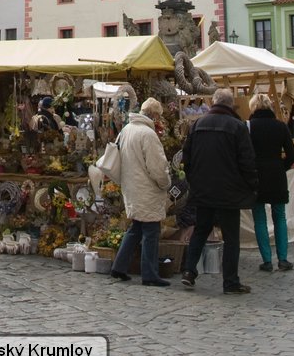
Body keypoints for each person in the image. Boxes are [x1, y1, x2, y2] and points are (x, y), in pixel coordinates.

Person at [179, 89, 258, 294]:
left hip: (203, 190)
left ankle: (189, 271)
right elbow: (247, 161)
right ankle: (230, 281)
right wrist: (251, 185)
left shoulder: (198, 125)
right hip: (228, 193)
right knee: (231, 238)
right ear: (230, 105)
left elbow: (186, 159)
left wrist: (194, 181)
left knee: (200, 231)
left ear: (213, 103)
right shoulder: (237, 127)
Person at [110, 97, 173, 287]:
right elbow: (157, 167)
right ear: (154, 115)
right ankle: (150, 274)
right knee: (151, 231)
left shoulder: (127, 130)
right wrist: (166, 183)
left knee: (136, 228)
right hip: (147, 189)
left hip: (131, 186)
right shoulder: (148, 134)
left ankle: (119, 266)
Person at [246, 93, 294, 272]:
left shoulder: (249, 127)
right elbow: (292, 155)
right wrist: (280, 166)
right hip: (276, 174)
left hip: (256, 175)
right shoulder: (280, 126)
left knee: (259, 219)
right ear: (269, 106)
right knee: (280, 217)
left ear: (253, 107)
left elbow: (244, 154)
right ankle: (283, 259)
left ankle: (266, 260)